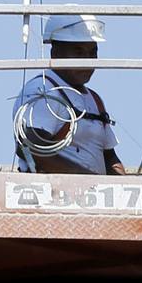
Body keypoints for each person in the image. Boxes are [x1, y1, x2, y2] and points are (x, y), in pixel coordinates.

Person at [13, 14, 127, 175]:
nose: (87, 61)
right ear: (56, 53)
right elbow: (31, 149)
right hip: (54, 194)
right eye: (78, 52)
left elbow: (109, 156)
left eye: (92, 53)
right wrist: (88, 180)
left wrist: (123, 187)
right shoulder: (44, 90)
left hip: (91, 196)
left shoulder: (94, 100)